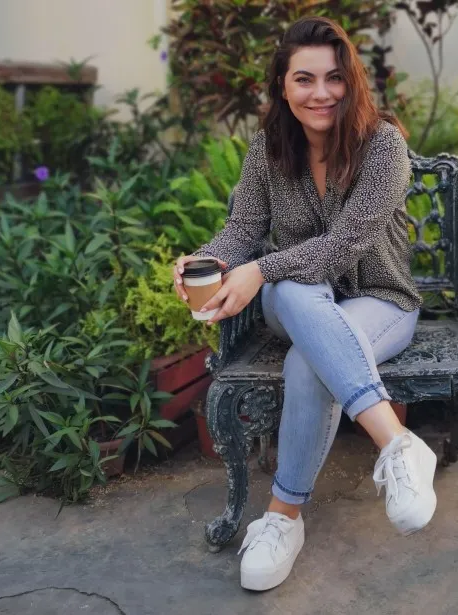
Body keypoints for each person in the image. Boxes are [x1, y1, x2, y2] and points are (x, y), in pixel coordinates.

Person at [173, 16, 437, 592]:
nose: (322, 93)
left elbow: (344, 245)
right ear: (282, 86)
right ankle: (397, 443)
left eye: (334, 77)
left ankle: (282, 517)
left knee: (306, 358)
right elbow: (242, 230)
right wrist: (206, 260)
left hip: (381, 301)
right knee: (293, 291)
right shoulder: (268, 150)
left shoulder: (383, 146)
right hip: (294, 304)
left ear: (352, 82)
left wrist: (261, 270)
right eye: (304, 79)